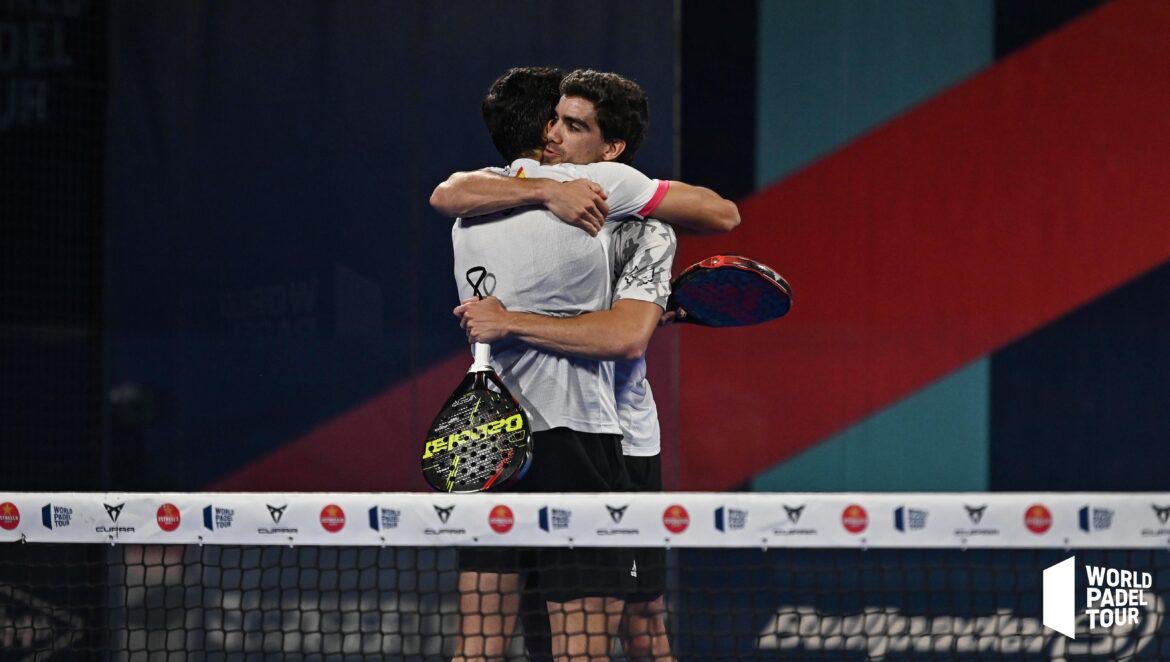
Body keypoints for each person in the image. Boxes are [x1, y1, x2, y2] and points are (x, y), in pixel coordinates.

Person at [438, 68, 738, 661]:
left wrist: (516, 319)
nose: (555, 135)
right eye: (553, 120)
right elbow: (450, 190)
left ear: (611, 149)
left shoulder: (637, 218)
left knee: (641, 626)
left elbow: (717, 220)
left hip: (623, 441)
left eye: (573, 126)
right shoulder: (508, 188)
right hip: (540, 437)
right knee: (550, 640)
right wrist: (546, 191)